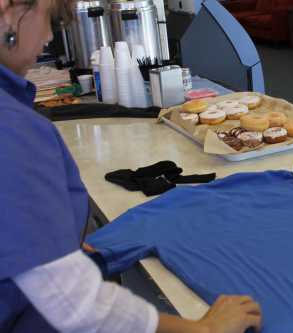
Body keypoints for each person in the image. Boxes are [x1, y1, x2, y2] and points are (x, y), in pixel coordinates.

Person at [0, 0, 263, 332]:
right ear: (8, 9)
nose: (50, 36)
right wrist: (204, 329)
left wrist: (44, 241)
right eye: (52, 18)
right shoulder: (11, 129)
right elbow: (77, 307)